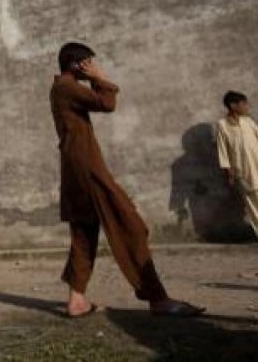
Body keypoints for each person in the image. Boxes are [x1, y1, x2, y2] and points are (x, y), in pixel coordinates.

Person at [50, 42, 203, 318]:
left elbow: (98, 104)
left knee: (84, 234)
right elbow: (107, 103)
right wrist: (100, 79)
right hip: (86, 168)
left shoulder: (61, 88)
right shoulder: (67, 87)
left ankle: (76, 301)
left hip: (74, 168)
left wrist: (95, 80)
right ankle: (158, 299)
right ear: (76, 65)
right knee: (130, 226)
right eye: (88, 63)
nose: (92, 67)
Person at [215, 91, 258, 234]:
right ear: (233, 106)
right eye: (243, 104)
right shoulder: (222, 125)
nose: (246, 107)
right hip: (243, 170)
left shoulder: (248, 122)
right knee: (252, 203)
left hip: (256, 163)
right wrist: (229, 172)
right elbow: (223, 150)